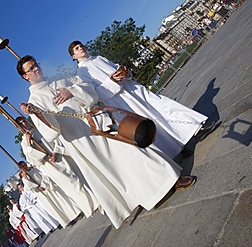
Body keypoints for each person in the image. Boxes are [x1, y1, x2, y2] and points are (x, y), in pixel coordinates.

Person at [16, 55, 196, 229]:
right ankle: (149, 195)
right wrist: (37, 113)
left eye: (35, 65)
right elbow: (51, 134)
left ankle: (171, 181)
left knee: (135, 151)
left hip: (99, 123)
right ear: (25, 76)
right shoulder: (34, 101)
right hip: (82, 141)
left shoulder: (60, 79)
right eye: (30, 69)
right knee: (116, 169)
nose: (36, 69)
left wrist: (71, 91)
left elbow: (89, 90)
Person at [68, 40, 216, 158]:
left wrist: (124, 71)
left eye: (80, 45)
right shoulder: (82, 73)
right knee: (149, 122)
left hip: (133, 89)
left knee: (163, 106)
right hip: (121, 100)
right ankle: (177, 149)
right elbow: (96, 94)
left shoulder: (99, 58)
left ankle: (196, 129)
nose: (80, 48)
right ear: (74, 56)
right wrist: (112, 81)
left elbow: (117, 67)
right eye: (76, 48)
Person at [15, 116, 99, 218]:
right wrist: (29, 143)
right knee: (72, 184)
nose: (24, 123)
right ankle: (90, 206)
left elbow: (56, 139)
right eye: (21, 124)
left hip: (60, 157)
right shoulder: (24, 144)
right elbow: (32, 160)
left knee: (79, 177)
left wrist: (55, 152)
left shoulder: (39, 129)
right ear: (19, 128)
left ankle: (97, 199)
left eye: (24, 120)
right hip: (50, 166)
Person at [18, 161, 80, 228]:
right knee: (55, 207)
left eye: (24, 165)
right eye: (22, 167)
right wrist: (26, 177)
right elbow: (29, 187)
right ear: (21, 169)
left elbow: (45, 174)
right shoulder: (25, 179)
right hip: (42, 194)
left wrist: (43, 185)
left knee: (62, 201)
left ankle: (75, 214)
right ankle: (67, 220)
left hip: (49, 188)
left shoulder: (35, 170)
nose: (24, 167)